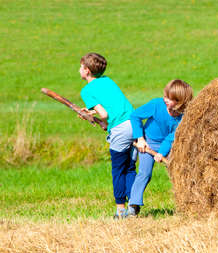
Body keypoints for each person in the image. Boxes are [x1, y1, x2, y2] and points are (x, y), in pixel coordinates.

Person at [78, 52, 136, 219]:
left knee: (118, 169)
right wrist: (92, 114)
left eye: (81, 67)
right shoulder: (108, 81)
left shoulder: (87, 90)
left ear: (87, 70)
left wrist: (91, 115)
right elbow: (109, 113)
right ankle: (133, 206)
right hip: (134, 123)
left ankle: (120, 211)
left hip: (120, 129)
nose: (79, 70)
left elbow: (103, 114)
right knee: (130, 167)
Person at [127, 79, 193, 217]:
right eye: (165, 95)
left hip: (169, 145)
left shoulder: (183, 117)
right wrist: (140, 139)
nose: (165, 99)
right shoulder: (157, 104)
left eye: (170, 98)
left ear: (180, 101)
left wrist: (161, 153)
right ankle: (133, 205)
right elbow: (135, 116)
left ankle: (188, 204)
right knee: (145, 174)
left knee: (180, 171)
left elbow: (171, 137)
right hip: (147, 143)